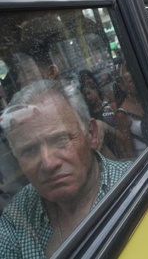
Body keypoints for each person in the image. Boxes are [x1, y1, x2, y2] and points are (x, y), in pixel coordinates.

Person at [0, 80, 132, 257]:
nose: (48, 163)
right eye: (30, 150)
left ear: (91, 134)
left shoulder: (132, 183)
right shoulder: (17, 216)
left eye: (60, 140)